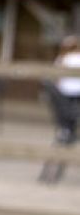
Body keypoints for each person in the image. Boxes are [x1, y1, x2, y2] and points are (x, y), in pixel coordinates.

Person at [40, 35, 80, 184]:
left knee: (63, 135)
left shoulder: (60, 60)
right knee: (67, 135)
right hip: (75, 105)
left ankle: (49, 173)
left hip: (62, 106)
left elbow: (54, 81)